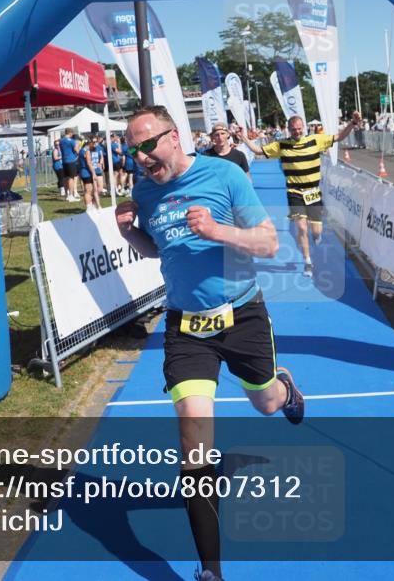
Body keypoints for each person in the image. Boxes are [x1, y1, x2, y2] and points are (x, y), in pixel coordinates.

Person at [115, 106, 304, 581]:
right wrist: (129, 232)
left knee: (264, 402)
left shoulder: (224, 174)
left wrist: (217, 230)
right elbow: (161, 248)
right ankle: (211, 571)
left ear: (174, 137)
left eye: (147, 144)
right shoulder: (143, 191)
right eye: (132, 149)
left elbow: (268, 244)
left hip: (242, 316)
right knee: (192, 439)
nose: (141, 157)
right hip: (185, 326)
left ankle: (286, 389)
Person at [238, 112, 361, 277]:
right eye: (293, 129)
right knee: (302, 228)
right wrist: (244, 137)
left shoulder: (315, 140)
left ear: (303, 128)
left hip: (313, 192)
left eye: (299, 129)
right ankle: (308, 262)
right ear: (288, 129)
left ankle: (316, 237)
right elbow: (258, 150)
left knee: (316, 231)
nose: (297, 132)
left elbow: (339, 137)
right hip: (294, 192)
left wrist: (353, 123)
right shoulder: (282, 145)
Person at [77, 135, 100, 213]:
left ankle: (91, 205)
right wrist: (94, 174)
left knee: (89, 190)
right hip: (86, 172)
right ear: (89, 143)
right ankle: (89, 207)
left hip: (83, 172)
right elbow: (89, 163)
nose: (94, 144)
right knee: (88, 190)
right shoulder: (87, 150)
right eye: (93, 142)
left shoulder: (81, 150)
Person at [58, 128, 81, 202]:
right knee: (71, 178)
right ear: (70, 133)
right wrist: (78, 146)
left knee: (65, 178)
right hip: (71, 161)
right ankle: (71, 195)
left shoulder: (61, 141)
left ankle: (67, 195)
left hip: (64, 161)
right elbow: (76, 150)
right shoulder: (72, 141)